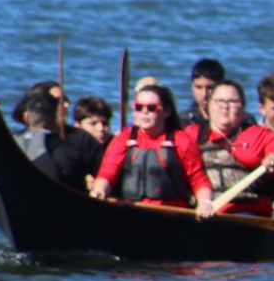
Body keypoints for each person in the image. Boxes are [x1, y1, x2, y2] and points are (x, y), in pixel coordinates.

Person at [90, 84, 214, 218]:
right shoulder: (124, 138)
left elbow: (199, 179)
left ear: (166, 111)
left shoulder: (182, 141)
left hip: (171, 216)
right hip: (130, 213)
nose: (144, 112)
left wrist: (205, 202)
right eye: (138, 107)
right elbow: (108, 172)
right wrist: (100, 189)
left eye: (151, 107)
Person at [190, 79, 274, 217]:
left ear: (242, 106)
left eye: (232, 102)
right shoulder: (192, 134)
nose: (225, 106)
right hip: (203, 211)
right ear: (209, 105)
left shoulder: (259, 134)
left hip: (247, 211)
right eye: (219, 101)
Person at [49, 96, 112, 192]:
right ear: (77, 125)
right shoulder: (68, 149)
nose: (101, 129)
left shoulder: (114, 146)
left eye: (105, 123)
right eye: (93, 123)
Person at [183, 58, 227, 129]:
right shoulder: (183, 122)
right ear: (192, 87)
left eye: (210, 88)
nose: (204, 94)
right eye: (199, 87)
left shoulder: (241, 121)